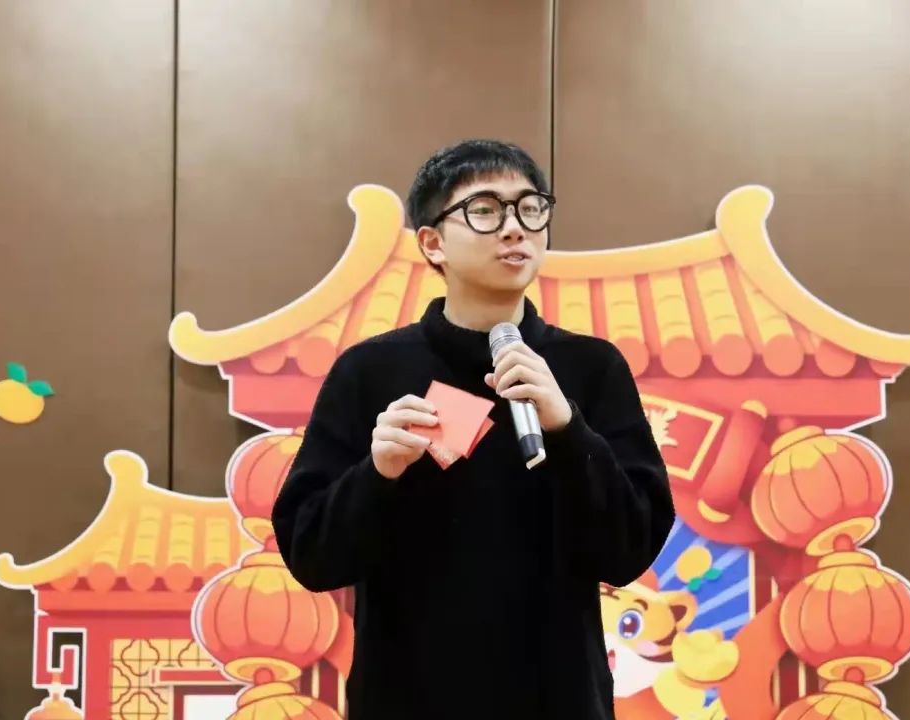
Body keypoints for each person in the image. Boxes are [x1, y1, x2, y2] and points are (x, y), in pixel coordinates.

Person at [272, 139, 674, 719]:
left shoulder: (591, 368)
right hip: (409, 701)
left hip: (556, 699)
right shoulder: (370, 371)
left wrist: (568, 431)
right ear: (432, 242)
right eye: (485, 210)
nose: (514, 228)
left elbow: (627, 551)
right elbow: (312, 558)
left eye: (530, 208)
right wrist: (377, 473)